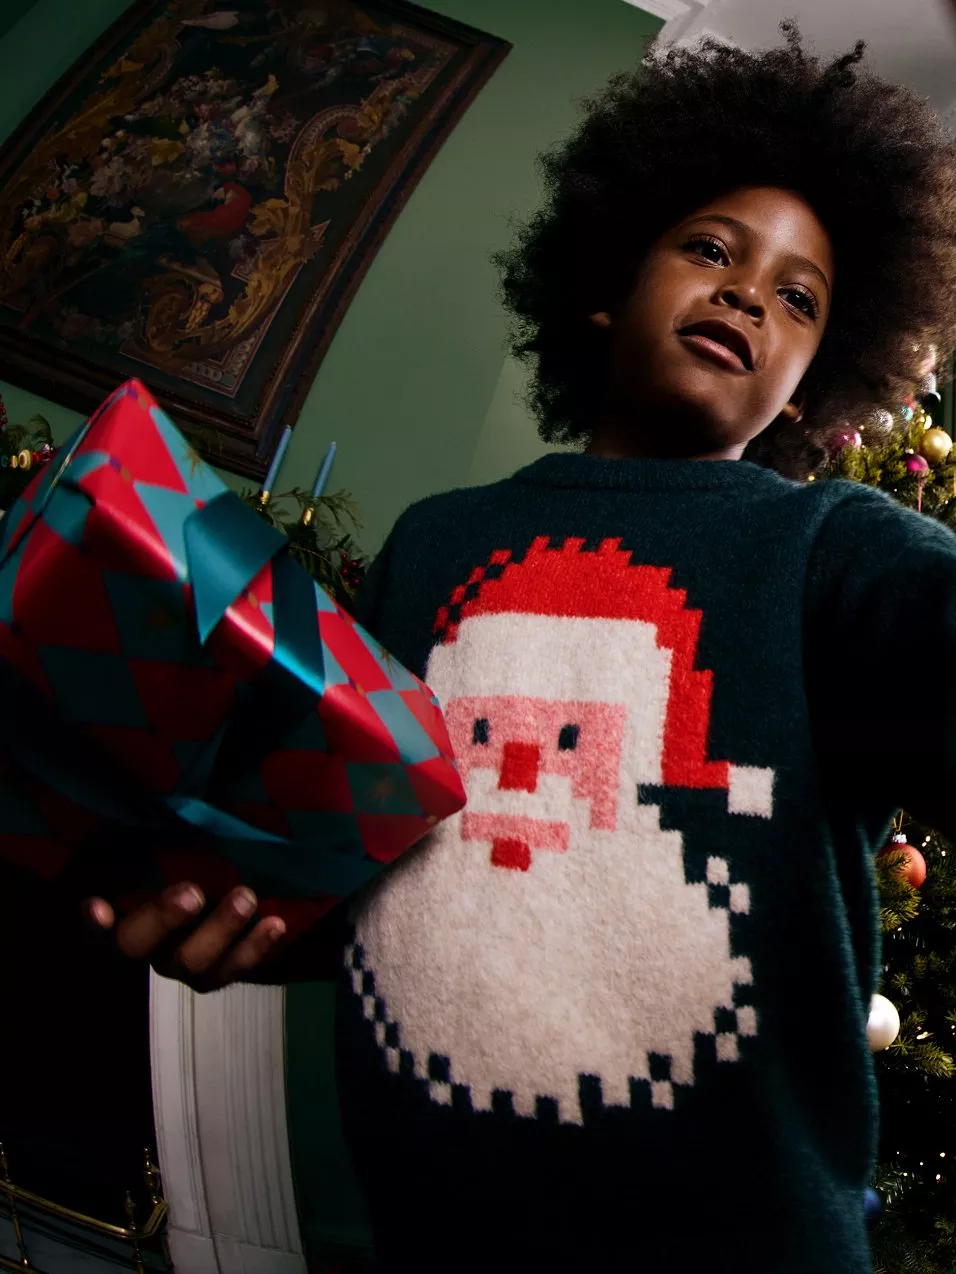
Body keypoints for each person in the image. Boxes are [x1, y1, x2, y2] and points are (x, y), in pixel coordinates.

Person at [87, 25, 956, 1273]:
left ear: (814, 390)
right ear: (605, 282)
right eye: (710, 249)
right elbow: (389, 870)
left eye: (797, 298)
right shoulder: (433, 544)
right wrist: (244, 920)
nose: (745, 294)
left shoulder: (833, 551)